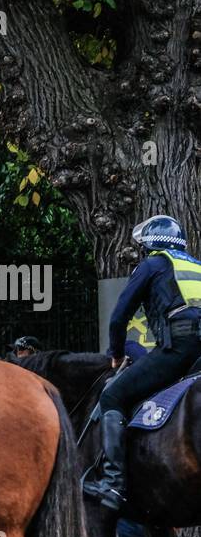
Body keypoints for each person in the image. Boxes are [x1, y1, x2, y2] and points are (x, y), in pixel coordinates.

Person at [86, 214, 201, 510]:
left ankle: (113, 483)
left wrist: (115, 352)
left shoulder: (152, 265)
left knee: (113, 396)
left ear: (150, 246)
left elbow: (119, 316)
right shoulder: (196, 266)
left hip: (179, 348)